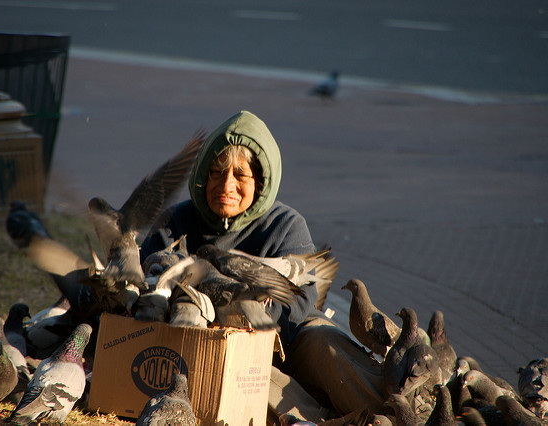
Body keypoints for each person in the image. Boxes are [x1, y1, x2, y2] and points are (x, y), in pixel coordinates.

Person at [140, 110, 387, 419]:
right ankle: (322, 421)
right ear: (203, 176)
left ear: (259, 181)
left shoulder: (286, 224)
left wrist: (241, 314)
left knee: (326, 343)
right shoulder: (175, 222)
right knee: (243, 371)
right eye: (217, 172)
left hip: (287, 338)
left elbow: (299, 301)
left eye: (240, 175)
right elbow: (144, 282)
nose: (226, 185)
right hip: (207, 344)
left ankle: (395, 408)